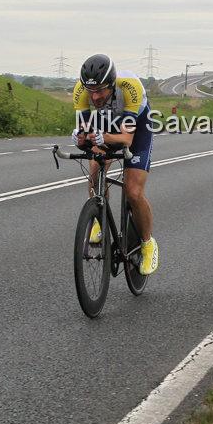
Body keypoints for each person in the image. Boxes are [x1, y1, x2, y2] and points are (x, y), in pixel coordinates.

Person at [71, 54, 158, 275]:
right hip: (106, 122)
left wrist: (103, 138)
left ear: (112, 84)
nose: (95, 96)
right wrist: (82, 138)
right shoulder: (80, 92)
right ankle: (99, 219)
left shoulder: (130, 87)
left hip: (137, 127)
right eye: (92, 91)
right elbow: (87, 134)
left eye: (101, 90)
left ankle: (148, 244)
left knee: (133, 191)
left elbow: (126, 140)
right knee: (94, 170)